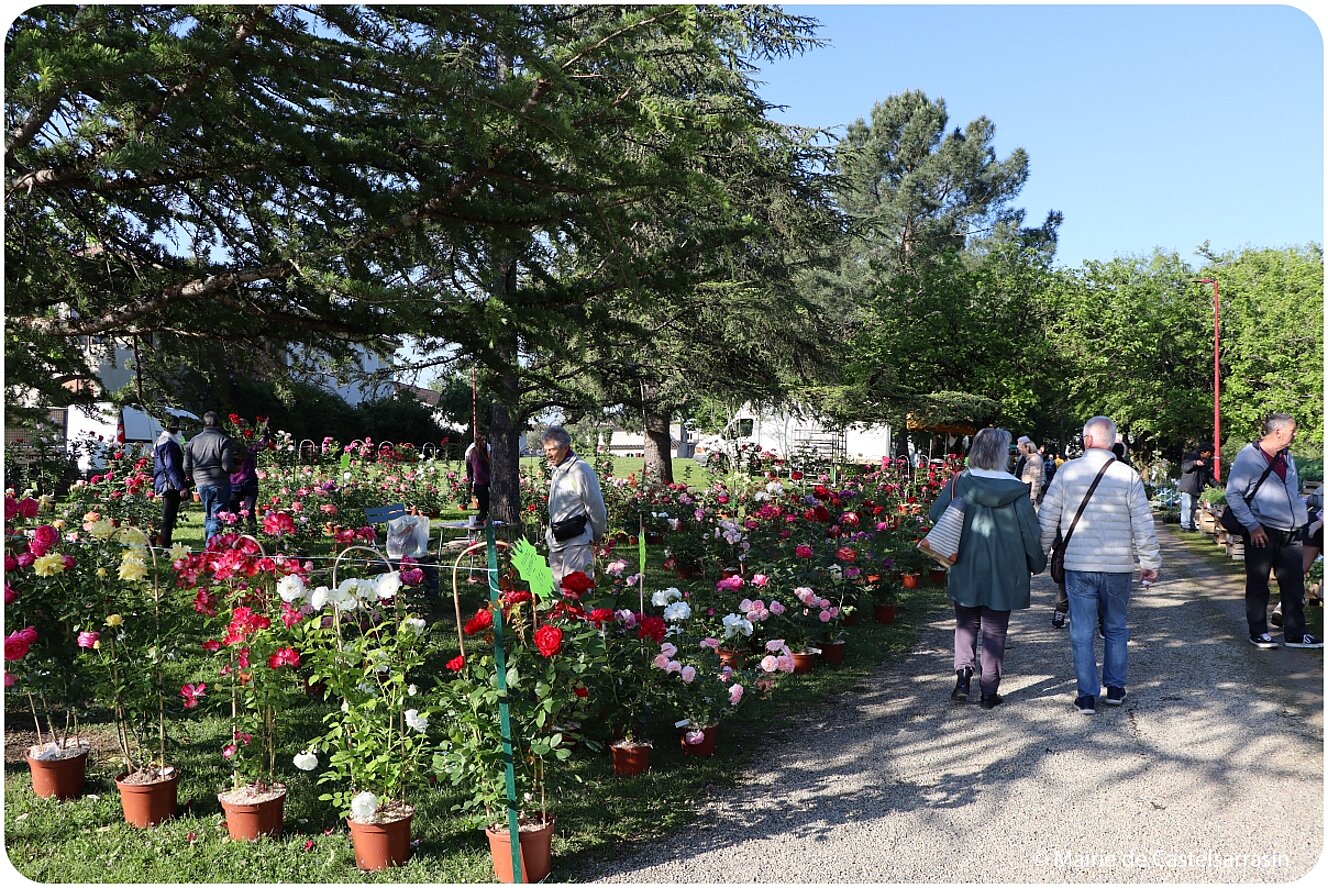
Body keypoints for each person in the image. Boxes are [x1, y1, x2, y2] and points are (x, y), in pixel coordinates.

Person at [1039, 416, 1161, 714]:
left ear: (1087, 440)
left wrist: (1039, 555)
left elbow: (1047, 518)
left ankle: (1087, 695)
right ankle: (1116, 688)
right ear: (1113, 442)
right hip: (1118, 566)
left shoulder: (1066, 472)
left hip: (1079, 564)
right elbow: (1143, 523)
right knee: (1116, 627)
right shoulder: (1128, 475)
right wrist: (1149, 561)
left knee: (1082, 631)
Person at [930, 428, 1046, 710]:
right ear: (1002, 454)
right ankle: (989, 691)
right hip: (1004, 569)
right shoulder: (1016, 489)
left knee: (965, 623)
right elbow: (1031, 533)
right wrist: (1037, 563)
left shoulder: (959, 482)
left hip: (964, 564)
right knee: (995, 631)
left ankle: (963, 676)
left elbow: (936, 514)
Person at [1225, 414, 1319, 649]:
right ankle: (1258, 632)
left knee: (1293, 582)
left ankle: (1296, 633)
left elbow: (1291, 491)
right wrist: (1252, 526)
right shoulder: (1248, 457)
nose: (1295, 435)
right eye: (1293, 431)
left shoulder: (1287, 456)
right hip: (1262, 529)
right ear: (1277, 432)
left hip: (1291, 529)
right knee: (1259, 582)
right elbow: (1233, 494)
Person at [542, 426, 607, 584]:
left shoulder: (580, 470)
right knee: (557, 591)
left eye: (552, 450)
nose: (548, 454)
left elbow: (596, 507)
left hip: (577, 538)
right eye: (545, 450)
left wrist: (597, 535)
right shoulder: (557, 470)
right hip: (557, 537)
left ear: (565, 448)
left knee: (577, 590)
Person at [184, 411, 238, 545]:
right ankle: (210, 550)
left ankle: (207, 547)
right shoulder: (223, 440)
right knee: (217, 518)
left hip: (201, 483)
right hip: (219, 483)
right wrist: (237, 468)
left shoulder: (193, 441)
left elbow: (186, 465)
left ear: (204, 423)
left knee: (209, 515)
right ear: (218, 423)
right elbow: (227, 466)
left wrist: (192, 478)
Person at [228, 425, 272, 534]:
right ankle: (250, 537)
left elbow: (263, 444)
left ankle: (239, 537)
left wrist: (265, 431)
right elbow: (263, 445)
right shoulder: (247, 445)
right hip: (246, 480)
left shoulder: (231, 445)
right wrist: (265, 431)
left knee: (238, 512)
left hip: (237, 481)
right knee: (248, 511)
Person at [152, 422, 188, 547]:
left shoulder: (162, 440)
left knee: (168, 517)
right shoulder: (169, 443)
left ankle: (166, 544)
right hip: (170, 483)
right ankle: (166, 546)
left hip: (164, 481)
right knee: (168, 517)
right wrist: (180, 486)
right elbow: (171, 466)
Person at [1177, 443, 1216, 531]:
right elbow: (1185, 467)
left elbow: (1208, 476)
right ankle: (1185, 525)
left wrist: (1217, 486)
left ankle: (1190, 524)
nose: (1210, 455)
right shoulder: (1191, 457)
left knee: (1193, 507)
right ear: (1203, 452)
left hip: (1196, 488)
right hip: (1188, 486)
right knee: (1188, 506)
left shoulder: (1205, 461)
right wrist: (1195, 463)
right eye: (1209, 453)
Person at [464, 431, 492, 523]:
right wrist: (488, 481)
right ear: (477, 441)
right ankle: (475, 526)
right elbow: (478, 471)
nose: (484, 442)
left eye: (485, 439)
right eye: (482, 440)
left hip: (484, 484)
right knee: (484, 511)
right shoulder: (475, 453)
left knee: (485, 510)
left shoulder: (484, 452)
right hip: (480, 485)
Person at [1015, 436, 1045, 506]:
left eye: (1021, 447)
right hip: (1026, 491)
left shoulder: (1034, 460)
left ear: (1027, 448)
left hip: (1028, 492)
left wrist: (1032, 498)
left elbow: (1036, 480)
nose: (1019, 449)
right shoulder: (1029, 458)